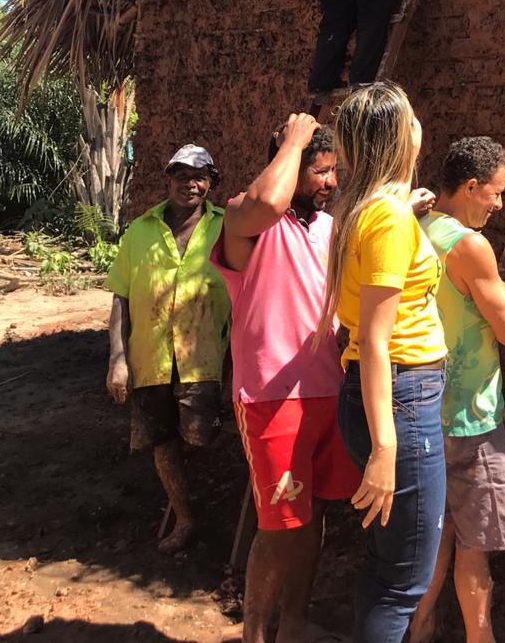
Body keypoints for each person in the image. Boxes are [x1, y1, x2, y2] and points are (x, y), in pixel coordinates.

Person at [212, 114, 360, 643]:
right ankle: (254, 636)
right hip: (272, 396)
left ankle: (294, 624)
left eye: (332, 171)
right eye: (319, 171)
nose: (330, 182)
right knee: (278, 527)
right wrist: (293, 139)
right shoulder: (244, 220)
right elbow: (269, 202)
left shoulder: (328, 228)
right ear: (290, 166)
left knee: (315, 515)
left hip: (327, 389)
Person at [320, 81, 447, 643]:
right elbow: (374, 338)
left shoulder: (366, 208)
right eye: (412, 115)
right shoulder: (389, 218)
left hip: (386, 396)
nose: (421, 123)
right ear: (399, 134)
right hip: (401, 402)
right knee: (404, 582)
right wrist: (385, 449)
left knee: (386, 565)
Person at [409, 138, 505, 643]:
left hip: (418, 410)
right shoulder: (469, 245)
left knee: (433, 540)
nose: (498, 205)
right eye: (495, 193)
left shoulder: (414, 227)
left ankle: (420, 628)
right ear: (472, 186)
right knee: (474, 548)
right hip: (469, 416)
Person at [105, 144, 231, 554]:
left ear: (211, 183)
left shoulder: (228, 228)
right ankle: (185, 518)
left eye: (198, 176)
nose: (188, 184)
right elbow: (120, 298)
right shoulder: (140, 231)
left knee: (203, 438)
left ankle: (213, 509)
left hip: (206, 360)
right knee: (162, 442)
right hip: (150, 359)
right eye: (180, 175)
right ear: (168, 179)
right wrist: (118, 360)